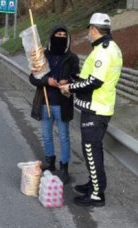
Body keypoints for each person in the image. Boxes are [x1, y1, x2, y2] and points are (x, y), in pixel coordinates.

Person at [60, 13, 122, 207]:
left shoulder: (104, 51)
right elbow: (89, 76)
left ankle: (96, 195)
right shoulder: (108, 48)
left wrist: (69, 88)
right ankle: (94, 185)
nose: (88, 33)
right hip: (98, 107)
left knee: (91, 150)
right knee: (92, 151)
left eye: (89, 30)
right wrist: (73, 79)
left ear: (94, 30)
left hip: (97, 109)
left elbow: (94, 82)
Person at [29, 24, 80, 184]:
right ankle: (50, 161)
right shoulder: (42, 55)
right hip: (45, 102)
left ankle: (64, 167)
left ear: (68, 39)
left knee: (64, 137)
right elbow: (33, 77)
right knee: (46, 135)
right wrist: (46, 80)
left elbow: (78, 78)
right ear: (51, 36)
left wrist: (69, 81)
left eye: (63, 35)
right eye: (57, 34)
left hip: (62, 104)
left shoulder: (72, 58)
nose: (60, 37)